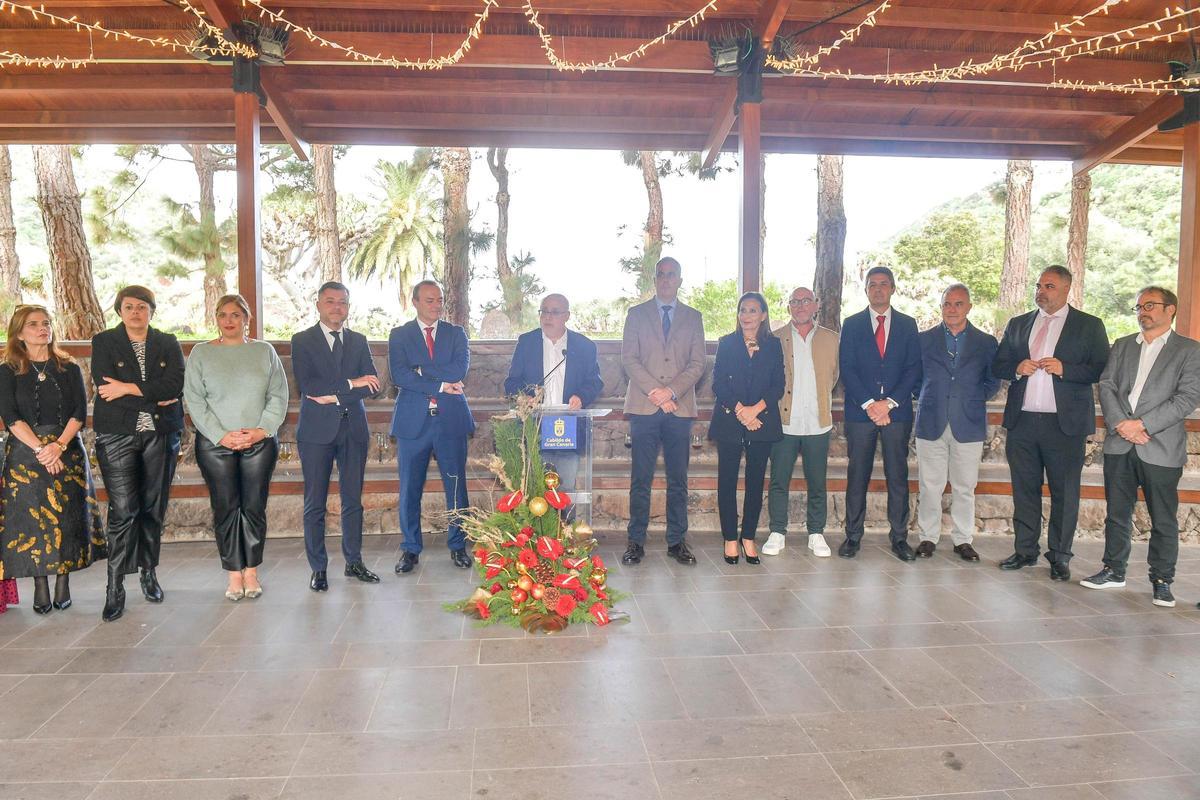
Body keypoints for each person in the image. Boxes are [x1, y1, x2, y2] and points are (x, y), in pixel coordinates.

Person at [1081, 287, 1200, 608]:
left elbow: (1187, 397)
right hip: (1121, 444)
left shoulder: (1189, 350)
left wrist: (1142, 425)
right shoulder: (1122, 346)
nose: (1142, 311)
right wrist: (1122, 424)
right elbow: (1106, 386)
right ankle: (1113, 569)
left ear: (1170, 309)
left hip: (1159, 445)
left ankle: (1162, 580)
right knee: (1117, 514)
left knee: (1163, 519)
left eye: (1150, 305)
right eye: (1139, 306)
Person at [993, 265, 1109, 581]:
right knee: (1025, 490)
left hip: (1065, 425)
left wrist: (1065, 368)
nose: (1041, 291)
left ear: (1067, 289)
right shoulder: (1018, 325)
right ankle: (1025, 551)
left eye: (1050, 286)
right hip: (1023, 423)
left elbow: (1101, 368)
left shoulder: (1089, 325)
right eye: (1039, 285)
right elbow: (999, 364)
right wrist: (1017, 367)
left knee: (1065, 493)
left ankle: (1059, 556)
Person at [0, 305, 104, 615]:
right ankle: (40, 584)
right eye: (33, 324)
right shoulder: (6, 370)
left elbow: (78, 412)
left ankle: (63, 581)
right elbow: (9, 415)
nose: (42, 328)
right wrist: (40, 450)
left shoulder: (68, 367)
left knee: (67, 517)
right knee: (31, 523)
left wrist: (57, 446)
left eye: (46, 323)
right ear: (19, 333)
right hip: (24, 453)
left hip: (66, 449)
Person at [183, 294, 288, 601]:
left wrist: (260, 431)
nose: (229, 320)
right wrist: (221, 435)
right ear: (215, 319)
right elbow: (195, 400)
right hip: (216, 445)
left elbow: (278, 396)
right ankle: (233, 575)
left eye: (236, 315)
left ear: (247, 319)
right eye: (222, 315)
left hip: (259, 442)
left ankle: (252, 572)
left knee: (254, 507)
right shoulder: (200, 354)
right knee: (226, 508)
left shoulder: (264, 351)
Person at [90, 285, 186, 622]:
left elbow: (174, 386)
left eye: (142, 307)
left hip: (160, 434)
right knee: (123, 510)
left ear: (151, 311)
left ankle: (149, 573)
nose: (135, 312)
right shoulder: (104, 342)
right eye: (128, 306)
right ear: (119, 311)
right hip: (117, 435)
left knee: (152, 507)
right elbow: (105, 389)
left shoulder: (167, 342)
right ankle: (114, 586)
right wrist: (151, 394)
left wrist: (127, 388)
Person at [291, 281, 382, 593]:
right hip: (316, 433)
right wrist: (350, 383)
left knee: (352, 500)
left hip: (353, 430)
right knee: (314, 503)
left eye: (342, 302)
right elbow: (309, 386)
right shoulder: (302, 340)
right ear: (318, 304)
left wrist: (336, 395)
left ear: (348, 306)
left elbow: (373, 386)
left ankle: (354, 561)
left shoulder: (358, 340)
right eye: (330, 302)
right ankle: (318, 568)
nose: (336, 308)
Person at [620, 256, 707, 566]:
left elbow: (698, 363)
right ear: (654, 280)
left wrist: (671, 392)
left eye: (672, 275)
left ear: (680, 280)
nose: (666, 279)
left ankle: (676, 541)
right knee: (640, 478)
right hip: (644, 408)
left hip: (679, 408)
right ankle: (635, 541)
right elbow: (629, 358)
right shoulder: (636, 314)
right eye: (661, 275)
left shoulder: (693, 317)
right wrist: (657, 393)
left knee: (678, 479)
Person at [389, 280, 475, 574]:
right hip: (413, 423)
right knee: (410, 488)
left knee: (456, 486)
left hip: (450, 420)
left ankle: (458, 546)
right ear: (414, 302)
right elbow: (400, 375)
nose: (436, 305)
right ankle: (410, 549)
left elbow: (458, 370)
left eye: (439, 300)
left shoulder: (456, 333)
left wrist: (421, 370)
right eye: (429, 300)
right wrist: (439, 382)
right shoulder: (399, 335)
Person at [838, 266, 922, 561]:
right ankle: (852, 536)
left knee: (897, 476)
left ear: (893, 288)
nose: (878, 289)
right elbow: (846, 368)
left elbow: (914, 369)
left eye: (883, 284)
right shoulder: (852, 324)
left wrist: (889, 403)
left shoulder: (909, 325)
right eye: (872, 284)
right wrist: (870, 404)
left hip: (896, 415)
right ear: (866, 290)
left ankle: (900, 538)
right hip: (861, 415)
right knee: (857, 475)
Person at [913, 284, 1001, 563]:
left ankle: (963, 539)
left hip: (968, 422)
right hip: (931, 420)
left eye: (958, 304)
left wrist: (969, 399)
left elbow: (992, 382)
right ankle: (928, 537)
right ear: (941, 307)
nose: (952, 309)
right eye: (947, 304)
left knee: (965, 486)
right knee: (930, 485)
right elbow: (914, 379)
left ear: (969, 307)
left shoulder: (986, 342)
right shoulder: (923, 340)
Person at [503, 293, 604, 501]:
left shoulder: (584, 346)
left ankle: (565, 532)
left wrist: (581, 397)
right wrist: (524, 399)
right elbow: (511, 383)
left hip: (569, 427)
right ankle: (538, 534)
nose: (548, 317)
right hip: (536, 426)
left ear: (567, 316)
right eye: (544, 311)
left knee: (564, 489)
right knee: (536, 488)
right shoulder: (527, 342)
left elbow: (595, 382)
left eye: (554, 312)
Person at [709, 292, 784, 565]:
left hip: (762, 421)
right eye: (743, 310)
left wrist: (755, 411)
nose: (747, 315)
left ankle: (748, 537)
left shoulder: (774, 345)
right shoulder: (727, 343)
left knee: (755, 482)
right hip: (731, 419)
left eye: (753, 310)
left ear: (763, 315)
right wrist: (742, 410)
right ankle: (730, 538)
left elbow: (778, 384)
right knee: (727, 481)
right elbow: (718, 383)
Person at [765, 286, 839, 558]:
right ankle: (777, 531)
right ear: (788, 308)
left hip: (818, 423)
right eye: (795, 302)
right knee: (778, 480)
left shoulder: (832, 339)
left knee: (817, 481)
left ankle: (816, 532)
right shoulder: (775, 338)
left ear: (816, 305)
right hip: (785, 422)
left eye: (806, 301)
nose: (800, 306)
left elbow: (833, 376)